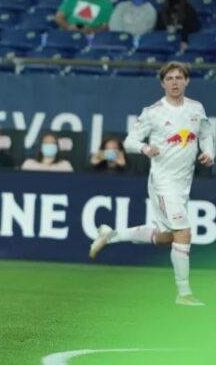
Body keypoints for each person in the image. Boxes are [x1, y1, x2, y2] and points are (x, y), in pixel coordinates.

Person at [90, 62, 214, 306]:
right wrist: (145, 147)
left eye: (179, 77)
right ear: (162, 82)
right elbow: (130, 141)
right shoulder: (153, 112)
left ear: (187, 81)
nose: (175, 82)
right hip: (163, 181)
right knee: (184, 232)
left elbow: (206, 133)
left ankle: (111, 235)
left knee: (168, 237)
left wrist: (209, 152)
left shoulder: (196, 108)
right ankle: (184, 294)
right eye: (170, 78)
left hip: (183, 182)